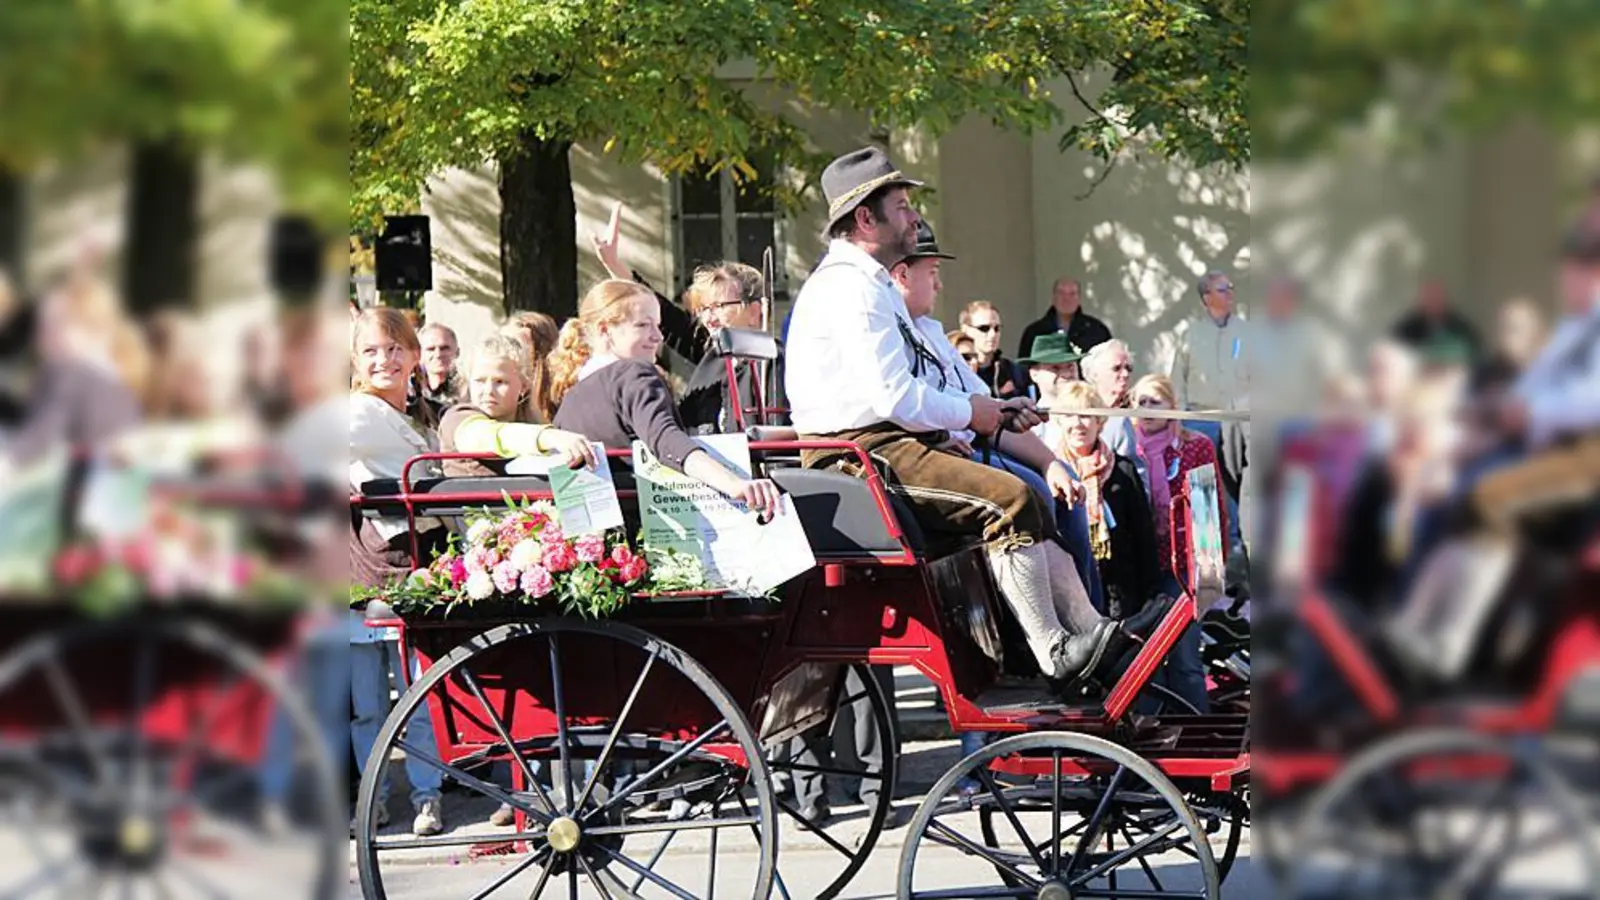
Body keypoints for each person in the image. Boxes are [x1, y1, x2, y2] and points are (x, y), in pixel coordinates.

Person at [784, 146, 1170, 690]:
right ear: (865, 219)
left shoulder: (870, 286)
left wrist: (975, 419)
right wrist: (974, 413)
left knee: (1031, 496)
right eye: (900, 206)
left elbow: (911, 394)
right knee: (1010, 500)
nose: (913, 216)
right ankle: (1054, 651)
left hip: (887, 445)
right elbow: (895, 396)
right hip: (858, 458)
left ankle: (1094, 634)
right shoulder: (851, 289)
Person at [543, 278, 783, 517]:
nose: (658, 336)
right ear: (605, 330)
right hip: (655, 530)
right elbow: (665, 439)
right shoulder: (633, 372)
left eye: (657, 325)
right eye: (643, 325)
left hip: (596, 542)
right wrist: (734, 484)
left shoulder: (570, 399)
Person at [347, 307, 448, 837]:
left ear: (413, 354)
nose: (383, 359)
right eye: (370, 351)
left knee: (421, 691)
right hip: (373, 563)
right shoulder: (359, 413)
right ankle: (374, 798)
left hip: (418, 558)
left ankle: (428, 795)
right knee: (369, 702)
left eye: (393, 348)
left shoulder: (423, 413)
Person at [1129, 373, 1227, 712]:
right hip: (1140, 565)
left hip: (1181, 567)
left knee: (1185, 656)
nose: (1147, 408)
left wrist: (1210, 574)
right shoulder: (1128, 447)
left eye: (1155, 400)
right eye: (1140, 401)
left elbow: (1209, 514)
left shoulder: (1195, 446)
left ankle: (1198, 736)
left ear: (1172, 406)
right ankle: (1150, 743)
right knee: (1144, 662)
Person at [1047, 380, 1163, 619]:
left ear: (1100, 422)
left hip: (1121, 590)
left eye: (1086, 415)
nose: (1078, 424)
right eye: (1069, 415)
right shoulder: (1050, 471)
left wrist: (1151, 596)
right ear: (1059, 421)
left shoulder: (1122, 469)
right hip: (1069, 589)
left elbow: (1143, 535)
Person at [438, 333, 596, 478]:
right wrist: (549, 437)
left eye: (500, 382)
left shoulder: (533, 422)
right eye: (479, 381)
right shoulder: (457, 417)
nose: (488, 391)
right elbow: (488, 437)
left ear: (524, 386)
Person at [1171, 270, 1248, 553]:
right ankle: (1206, 551)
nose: (1230, 293)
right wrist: (1179, 421)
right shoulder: (1190, 335)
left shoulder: (1247, 331)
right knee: (1203, 485)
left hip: (1240, 423)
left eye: (1230, 288)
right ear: (1206, 298)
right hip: (1201, 420)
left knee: (1240, 486)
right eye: (1222, 289)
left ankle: (1239, 549)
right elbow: (1177, 379)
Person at [674, 262, 787, 432]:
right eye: (703, 309)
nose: (708, 319)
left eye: (718, 307)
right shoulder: (712, 361)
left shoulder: (773, 359)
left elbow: (778, 431)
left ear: (754, 311)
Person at [1080, 339, 1146, 485]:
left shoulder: (1134, 414)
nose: (1125, 374)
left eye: (1128, 368)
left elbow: (1138, 472)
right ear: (1095, 374)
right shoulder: (1080, 413)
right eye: (1116, 368)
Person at [1016, 277, 1113, 364]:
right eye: (1061, 293)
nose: (1066, 298)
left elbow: (1110, 364)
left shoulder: (1096, 330)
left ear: (1079, 299)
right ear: (1053, 298)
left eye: (1072, 294)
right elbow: (1023, 369)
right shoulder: (1035, 332)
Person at [1391, 279, 1482, 365]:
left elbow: (1476, 352)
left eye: (1436, 297)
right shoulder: (1408, 326)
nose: (1433, 301)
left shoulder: (1461, 326)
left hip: (1454, 376)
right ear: (1422, 301)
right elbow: (1393, 352)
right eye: (1429, 297)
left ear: (1444, 300)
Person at [959, 301, 1030, 400]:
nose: (993, 334)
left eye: (997, 328)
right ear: (965, 329)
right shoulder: (953, 372)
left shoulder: (1013, 372)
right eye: (984, 328)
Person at [418, 323, 465, 411]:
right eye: (431, 349)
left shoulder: (468, 391)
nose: (438, 354)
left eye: (444, 348)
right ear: (419, 354)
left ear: (457, 352)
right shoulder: (411, 390)